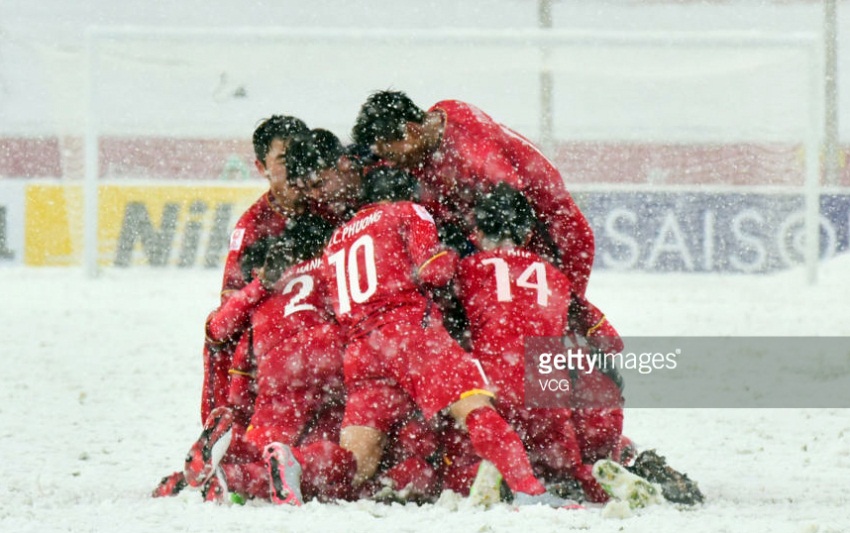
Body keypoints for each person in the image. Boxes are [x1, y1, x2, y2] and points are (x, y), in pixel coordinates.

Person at [315, 166, 572, 507]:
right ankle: (528, 490)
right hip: (409, 335)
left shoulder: (336, 240)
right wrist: (451, 256)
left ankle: (292, 468)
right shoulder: (408, 211)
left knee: (357, 462)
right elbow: (433, 272)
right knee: (476, 407)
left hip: (361, 350)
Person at [154, 115, 310, 499]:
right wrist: (264, 288)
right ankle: (226, 434)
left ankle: (228, 454)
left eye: (301, 153)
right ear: (260, 167)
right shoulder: (253, 225)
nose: (295, 165)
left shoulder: (327, 202)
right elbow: (227, 317)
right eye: (284, 157)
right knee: (221, 339)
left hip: (317, 333)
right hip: (275, 343)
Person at [451, 183, 623, 503]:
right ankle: (597, 477)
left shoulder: (467, 271)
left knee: (451, 455)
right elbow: (611, 342)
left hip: (495, 396)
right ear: (528, 231)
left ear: (476, 230)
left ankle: (487, 472)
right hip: (548, 397)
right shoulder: (555, 277)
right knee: (565, 470)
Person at [350, 90, 596, 297]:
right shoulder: (432, 127)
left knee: (547, 332)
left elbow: (513, 208)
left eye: (393, 155)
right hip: (500, 234)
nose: (396, 164)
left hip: (555, 238)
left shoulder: (475, 155)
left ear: (411, 130)